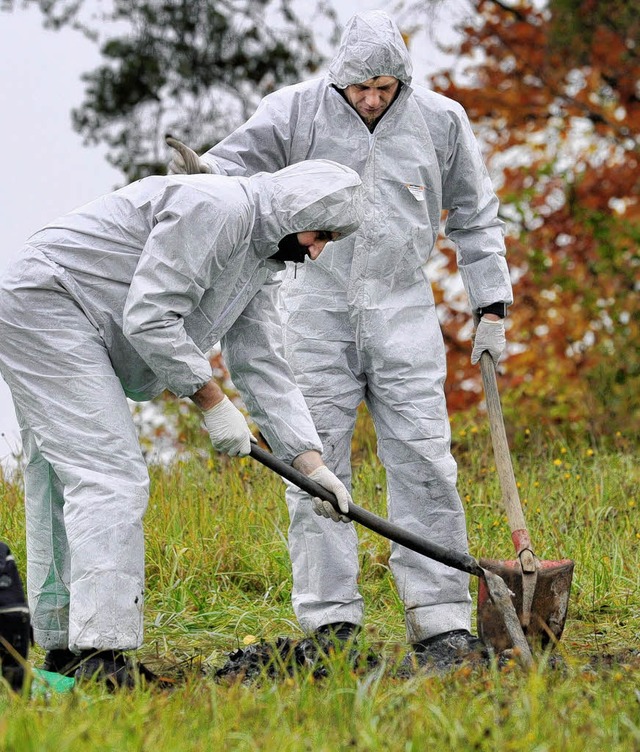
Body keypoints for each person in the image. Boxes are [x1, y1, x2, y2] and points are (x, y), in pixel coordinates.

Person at [168, 10, 513, 666]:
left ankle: (441, 623)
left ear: (401, 83)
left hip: (404, 308)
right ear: (339, 83)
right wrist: (201, 176)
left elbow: (474, 213)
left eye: (385, 88)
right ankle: (332, 628)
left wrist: (491, 307)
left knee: (425, 460)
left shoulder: (441, 120)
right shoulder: (294, 111)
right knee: (316, 465)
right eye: (361, 89)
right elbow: (235, 172)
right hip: (313, 309)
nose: (372, 99)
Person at [0, 159, 365, 687]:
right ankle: (100, 657)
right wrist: (213, 402)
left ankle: (65, 648)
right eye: (320, 233)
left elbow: (262, 363)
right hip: (48, 304)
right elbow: (150, 316)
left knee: (62, 475)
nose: (317, 249)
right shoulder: (217, 208)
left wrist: (310, 463)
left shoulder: (260, 257)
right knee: (109, 475)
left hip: (66, 314)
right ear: (295, 210)